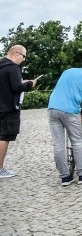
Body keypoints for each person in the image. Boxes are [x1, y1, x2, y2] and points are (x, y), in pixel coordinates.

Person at [47, 67, 82, 186]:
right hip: (70, 111)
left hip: (52, 108)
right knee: (76, 141)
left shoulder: (68, 71)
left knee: (58, 144)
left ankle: (65, 177)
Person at [0, 45, 37, 178]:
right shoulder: (13, 67)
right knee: (4, 137)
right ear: (17, 54)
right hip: (9, 108)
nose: (23, 60)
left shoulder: (2, 65)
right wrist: (30, 84)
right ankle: (0, 168)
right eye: (24, 56)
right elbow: (17, 87)